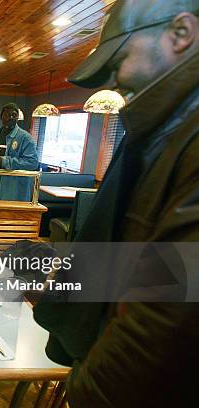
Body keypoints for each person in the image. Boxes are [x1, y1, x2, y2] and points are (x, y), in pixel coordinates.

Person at [33, 1, 199, 406]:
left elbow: (166, 313)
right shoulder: (162, 129)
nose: (114, 79)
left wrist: (85, 389)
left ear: (181, 34)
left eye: (121, 58)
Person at [0, 103, 38, 201]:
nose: (11, 118)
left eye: (14, 115)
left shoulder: (25, 138)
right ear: (1, 116)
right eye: (7, 115)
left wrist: (5, 161)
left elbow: (32, 163)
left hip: (13, 190)